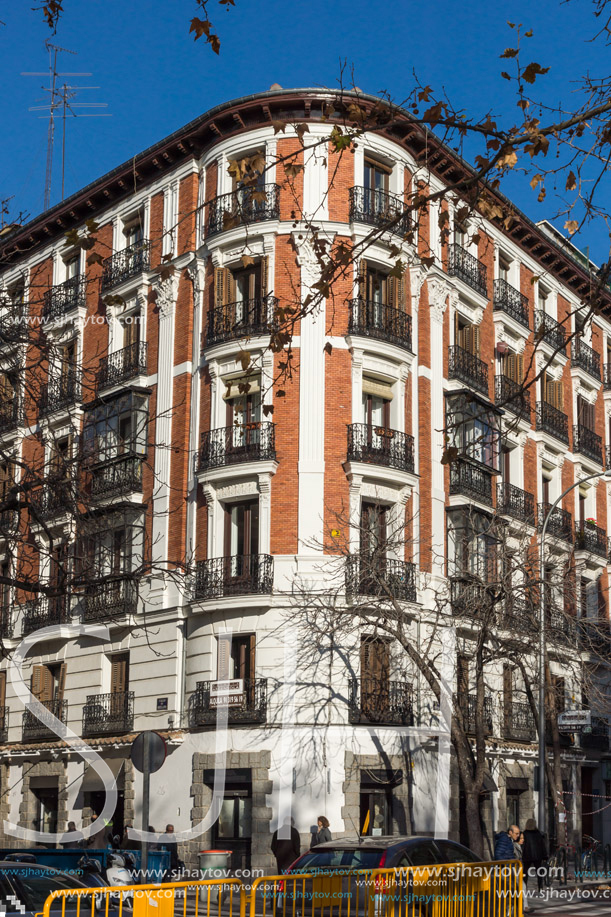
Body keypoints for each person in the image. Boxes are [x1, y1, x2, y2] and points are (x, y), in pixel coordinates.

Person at [522, 818, 547, 893]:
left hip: (527, 855)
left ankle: (524, 887)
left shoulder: (525, 833)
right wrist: (544, 855)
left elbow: (523, 845)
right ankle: (540, 887)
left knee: (525, 872)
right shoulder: (538, 833)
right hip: (537, 855)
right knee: (539, 872)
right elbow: (542, 845)